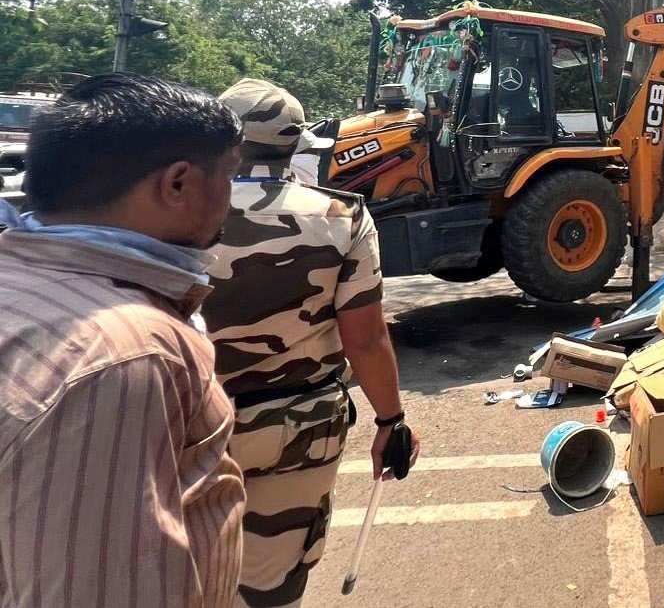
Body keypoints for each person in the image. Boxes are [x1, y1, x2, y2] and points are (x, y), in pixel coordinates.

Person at [0, 74, 246, 607]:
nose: (232, 194)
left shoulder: (20, 280)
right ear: (177, 184)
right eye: (229, 173)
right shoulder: (121, 357)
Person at [205, 79, 419, 608]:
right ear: (296, 144)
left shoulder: (177, 211)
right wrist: (391, 422)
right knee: (268, 589)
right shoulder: (341, 216)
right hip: (298, 429)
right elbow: (366, 339)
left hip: (189, 426)